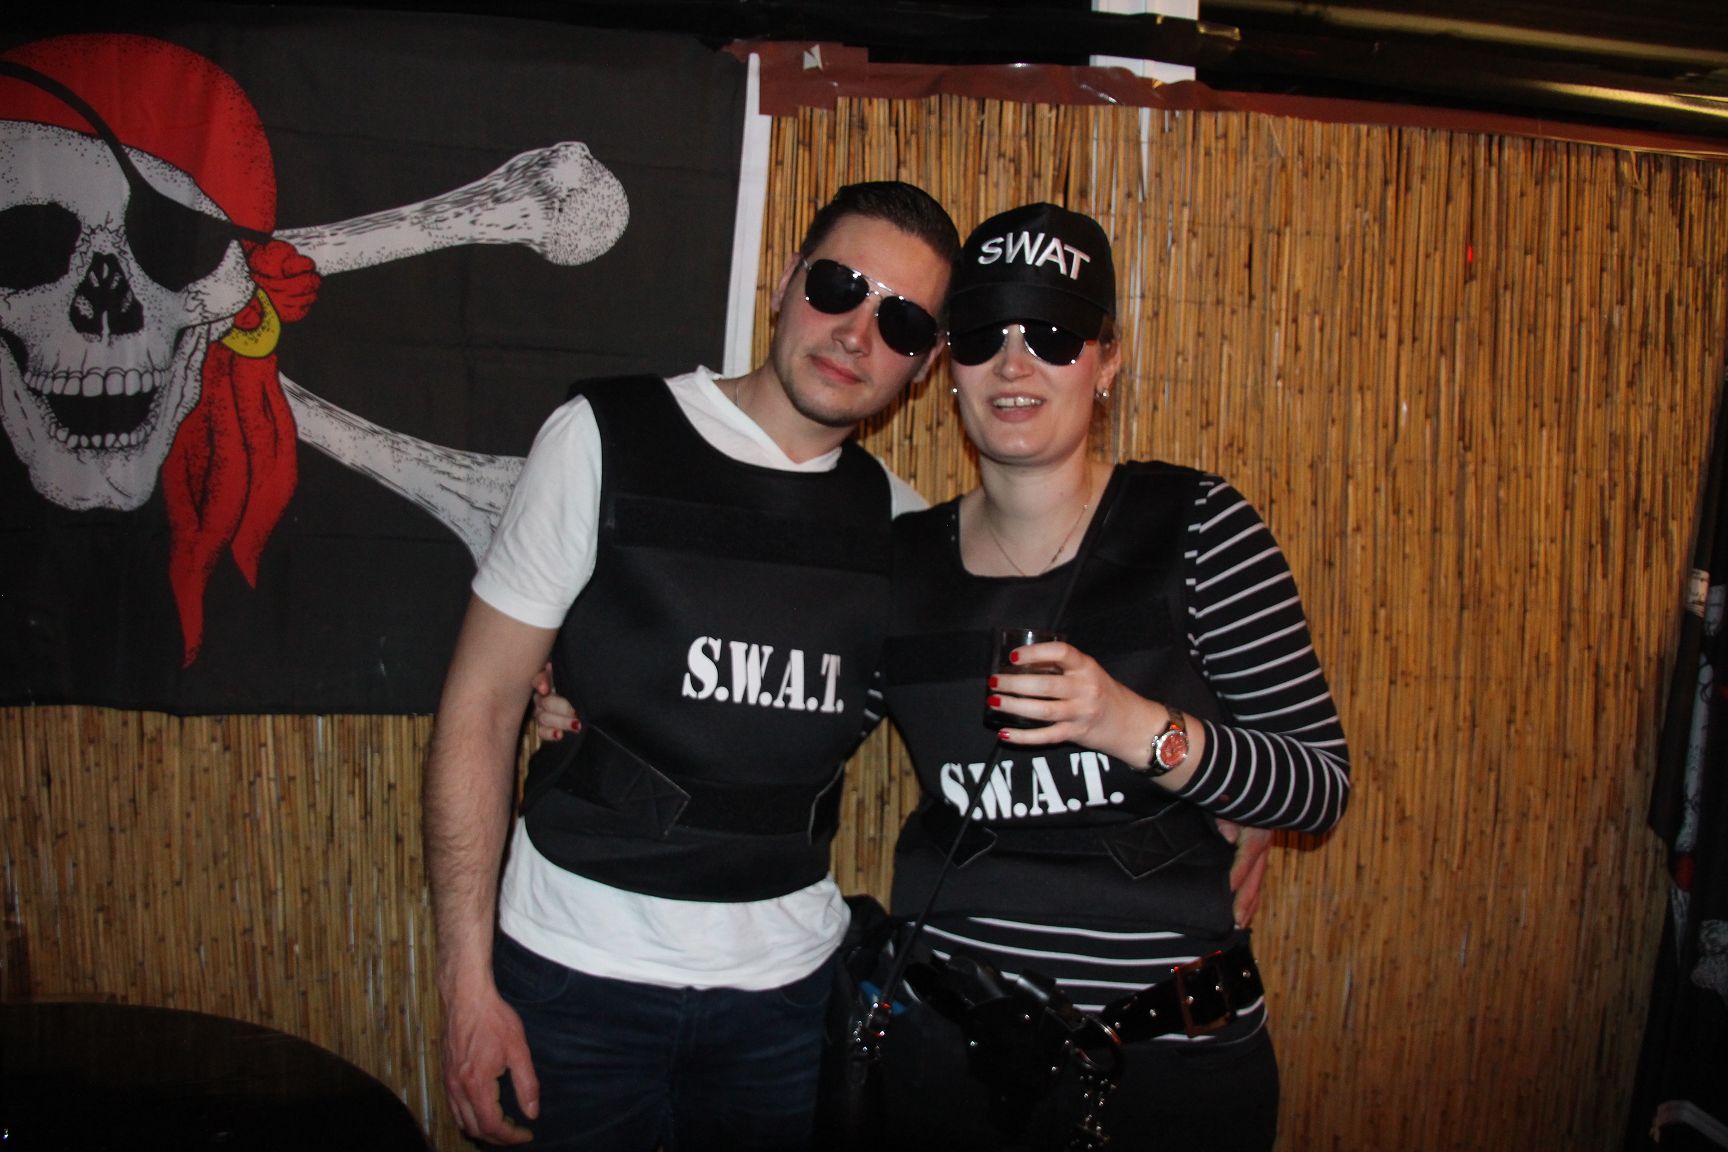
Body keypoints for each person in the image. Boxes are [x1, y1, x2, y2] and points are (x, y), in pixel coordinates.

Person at [422, 180, 959, 1152]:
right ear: (786, 282)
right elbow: (483, 704)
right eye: (839, 286)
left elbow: (1000, 715)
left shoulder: (902, 528)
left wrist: (1211, 784)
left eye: (902, 320)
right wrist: (466, 987)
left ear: (923, 365)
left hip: (783, 1006)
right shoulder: (604, 436)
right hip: (573, 979)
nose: (856, 333)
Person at [875, 202, 1351, 1151]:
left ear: (1107, 360)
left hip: (1169, 1066)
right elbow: (790, 725)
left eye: (1052, 336)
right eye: (983, 335)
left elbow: (1318, 786)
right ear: (948, 366)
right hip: (950, 1057)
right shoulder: (900, 561)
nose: (1014, 365)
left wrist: (1134, 726)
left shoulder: (1197, 524)